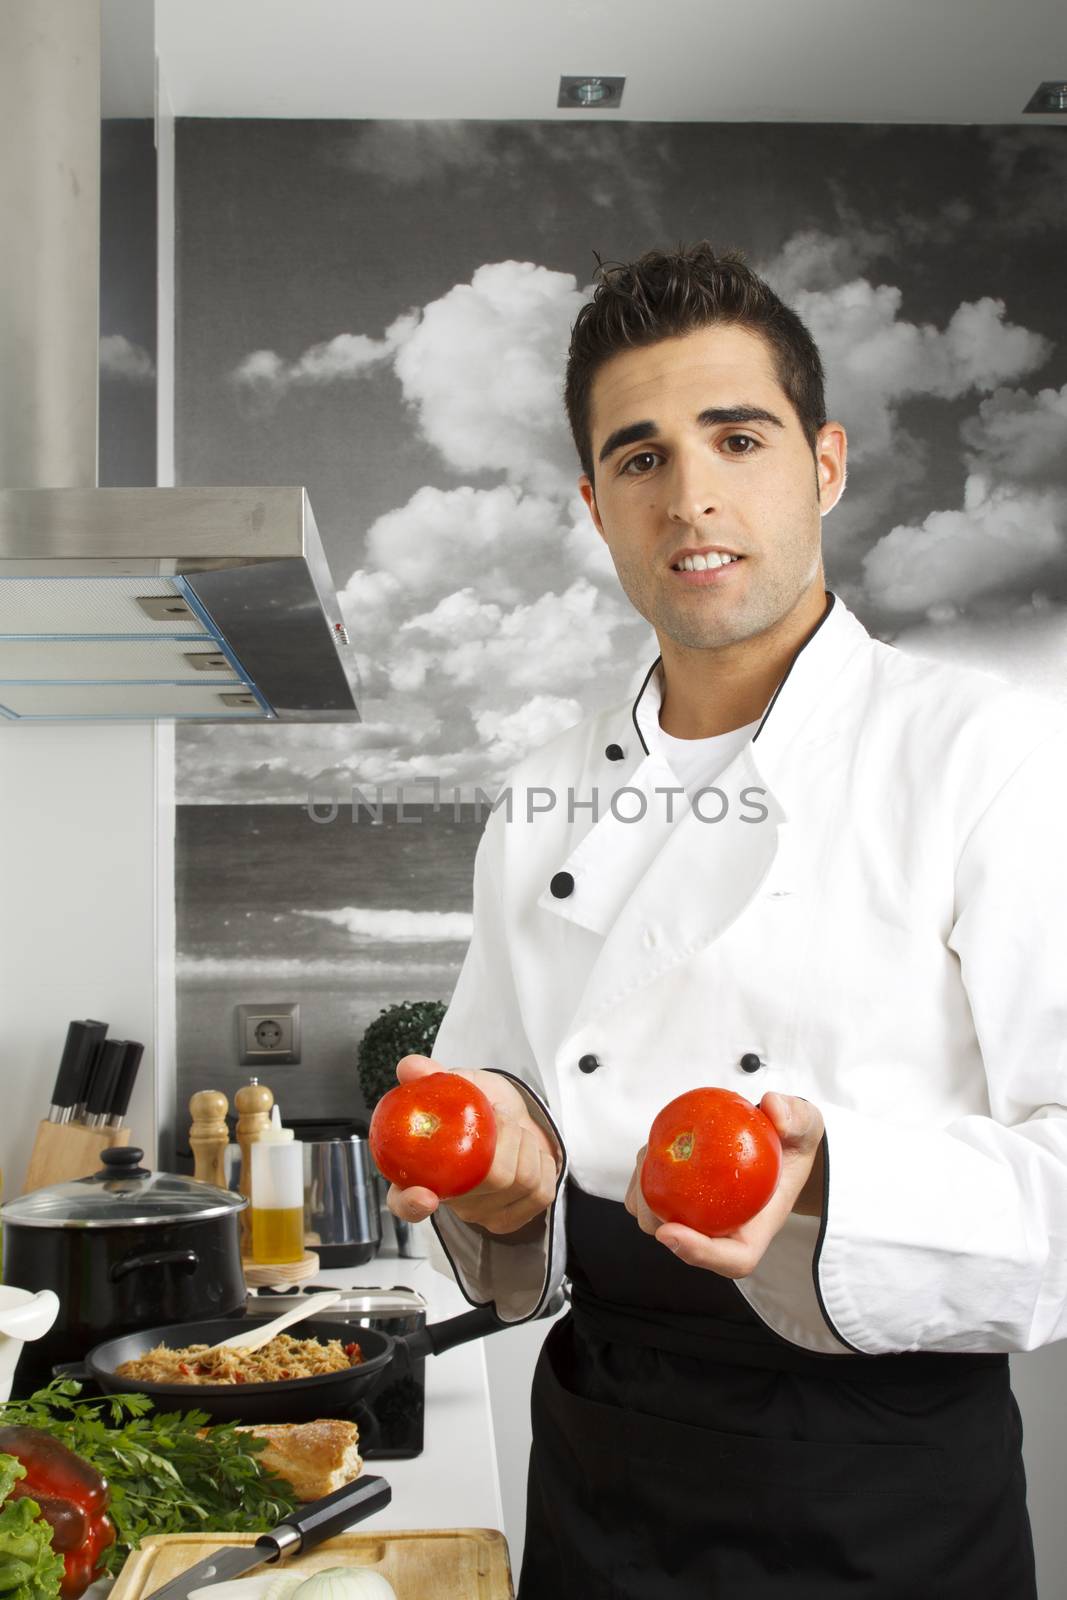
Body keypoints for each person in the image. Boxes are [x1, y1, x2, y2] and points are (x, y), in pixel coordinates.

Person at [385, 243, 1066, 1597]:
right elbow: (501, 1106)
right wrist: (502, 1178)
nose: (691, 497)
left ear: (823, 465)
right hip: (603, 1452)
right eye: (640, 458)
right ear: (595, 504)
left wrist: (834, 1195)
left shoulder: (988, 755)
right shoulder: (543, 795)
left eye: (736, 439)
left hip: (881, 1479)